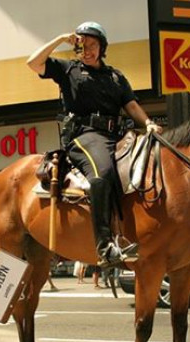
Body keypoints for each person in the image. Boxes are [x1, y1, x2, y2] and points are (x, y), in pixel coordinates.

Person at [26, 22, 162, 268]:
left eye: (92, 45)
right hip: (85, 135)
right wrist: (59, 38)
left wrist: (149, 123)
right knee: (102, 174)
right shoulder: (67, 69)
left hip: (119, 136)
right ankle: (105, 246)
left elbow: (131, 106)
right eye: (82, 46)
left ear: (102, 47)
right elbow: (33, 63)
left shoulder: (116, 76)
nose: (87, 50)